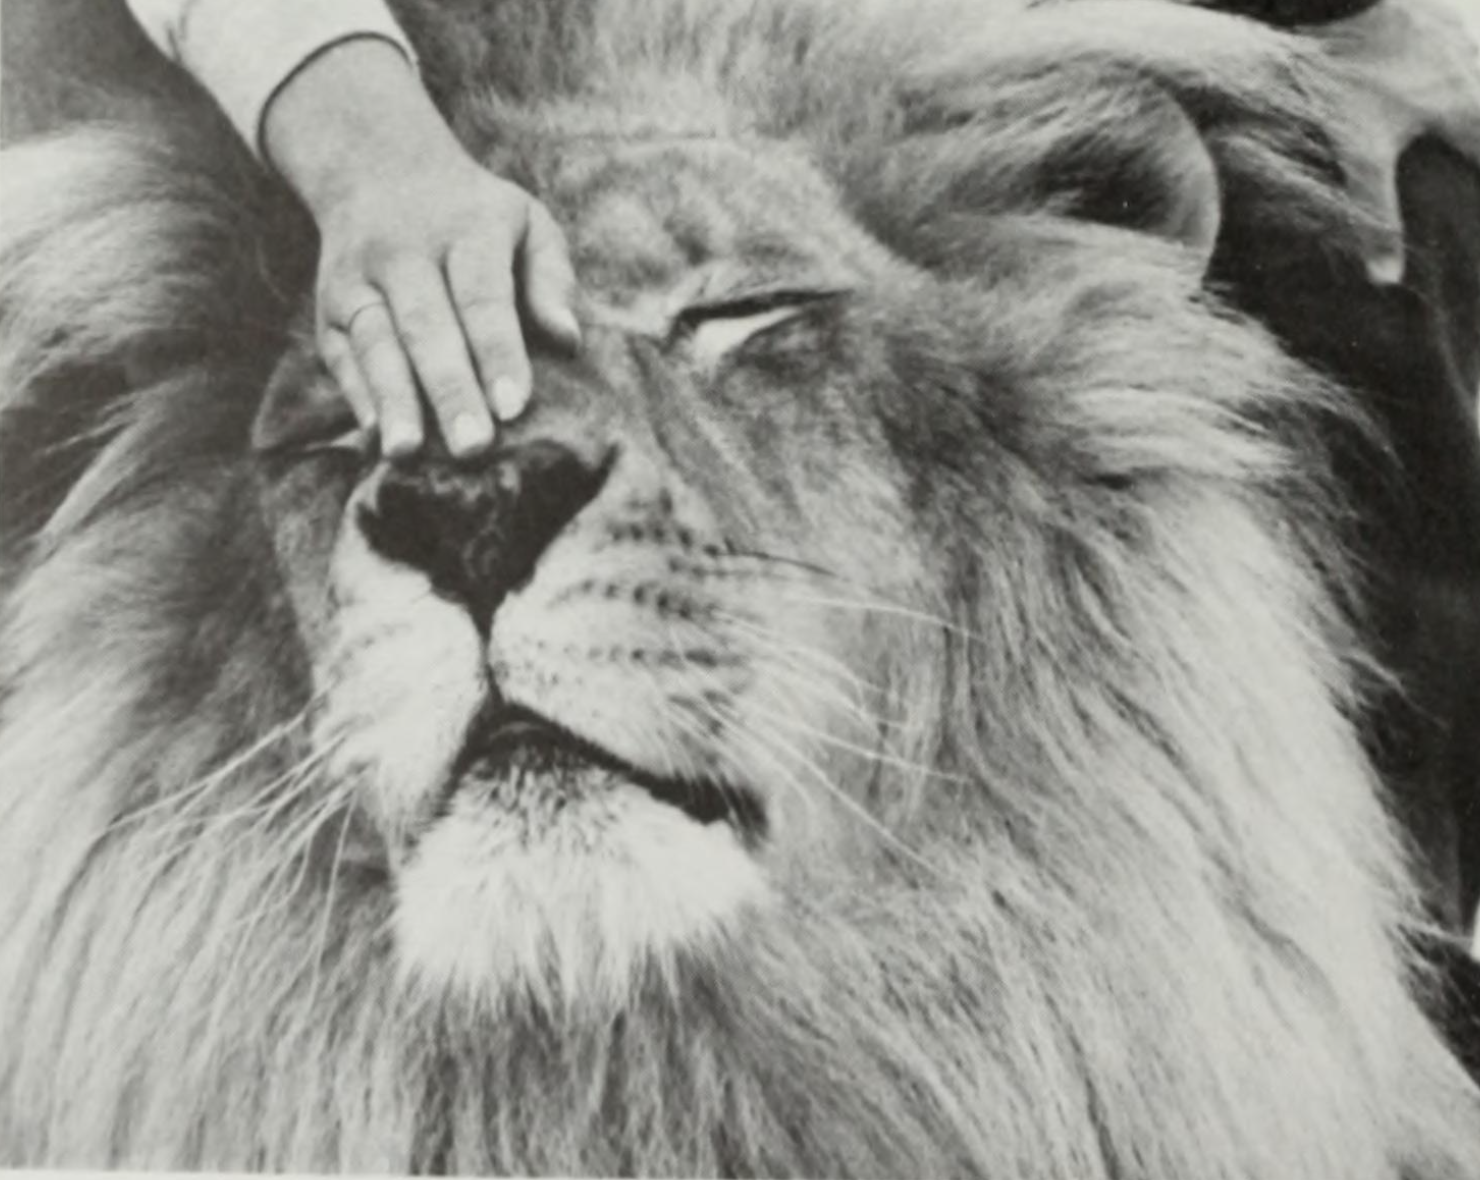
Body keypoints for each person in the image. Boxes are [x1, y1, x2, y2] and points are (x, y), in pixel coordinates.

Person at [120, 0, 1478, 460]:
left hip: (960, 109)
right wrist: (375, 160)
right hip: (524, 125)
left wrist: (1410, 35)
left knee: (1398, 233)